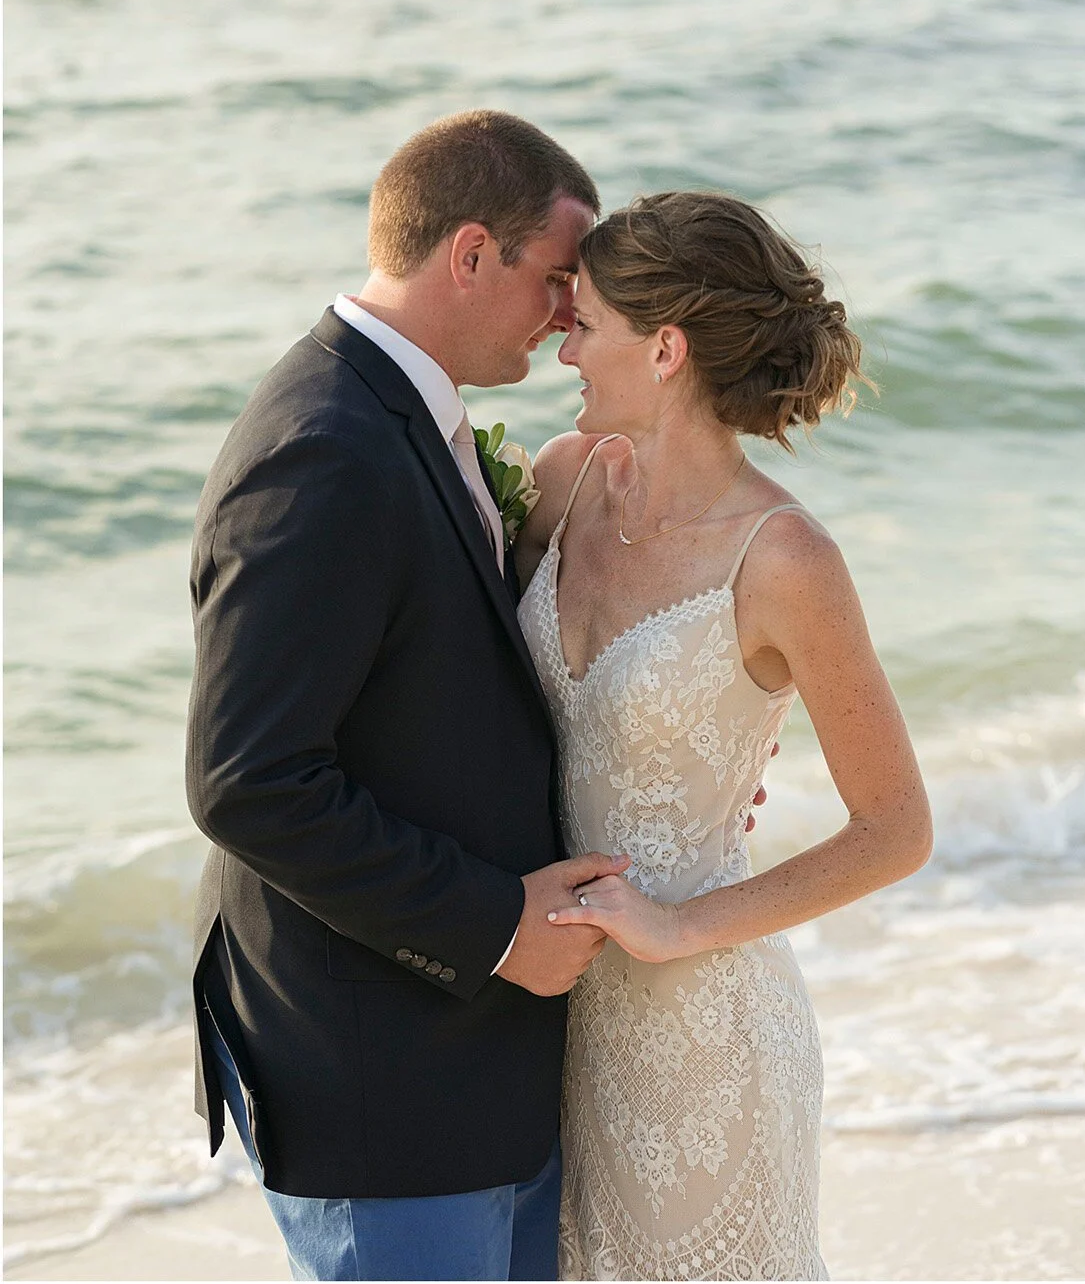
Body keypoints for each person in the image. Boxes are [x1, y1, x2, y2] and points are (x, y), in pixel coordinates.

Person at [187, 110, 623, 1279]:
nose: (569, 314)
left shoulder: (407, 417)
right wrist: (497, 929)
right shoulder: (323, 447)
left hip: (480, 1059)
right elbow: (251, 784)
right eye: (558, 279)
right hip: (380, 1075)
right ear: (471, 255)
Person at [510, 191, 932, 1279]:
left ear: (663, 349)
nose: (563, 346)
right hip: (550, 1025)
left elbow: (894, 829)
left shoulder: (784, 560)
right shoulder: (562, 482)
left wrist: (684, 926)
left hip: (705, 1039)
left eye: (585, 322)